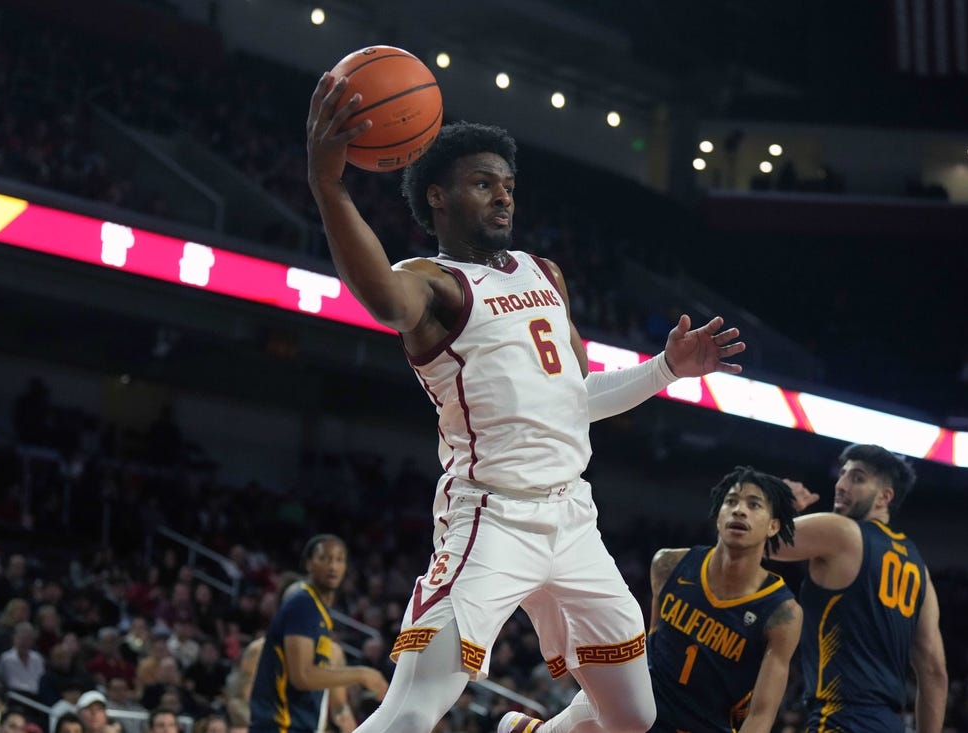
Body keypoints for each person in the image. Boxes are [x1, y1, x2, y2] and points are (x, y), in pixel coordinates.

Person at [306, 74, 745, 733]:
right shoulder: (434, 285)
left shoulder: (545, 274)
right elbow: (380, 299)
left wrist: (665, 369)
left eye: (507, 183)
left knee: (633, 713)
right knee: (413, 706)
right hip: (491, 516)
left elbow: (572, 400)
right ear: (439, 196)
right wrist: (328, 184)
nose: (503, 193)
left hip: (569, 515)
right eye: (483, 182)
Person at [777, 444, 948, 732]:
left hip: (838, 719)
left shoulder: (841, 531)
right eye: (841, 475)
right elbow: (934, 671)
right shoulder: (920, 569)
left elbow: (751, 541)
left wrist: (779, 501)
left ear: (884, 497)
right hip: (890, 724)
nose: (841, 485)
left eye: (857, 478)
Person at [646, 466, 801, 733]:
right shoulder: (668, 564)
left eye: (754, 505)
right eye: (731, 502)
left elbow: (761, 716)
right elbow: (651, 647)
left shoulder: (782, 613)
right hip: (642, 719)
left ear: (773, 526)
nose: (739, 510)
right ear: (718, 517)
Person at [248, 535, 387, 733]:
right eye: (325, 558)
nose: (333, 566)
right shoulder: (302, 603)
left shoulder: (319, 613)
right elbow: (302, 676)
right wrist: (362, 674)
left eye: (339, 560)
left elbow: (334, 698)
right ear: (309, 564)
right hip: (279, 726)